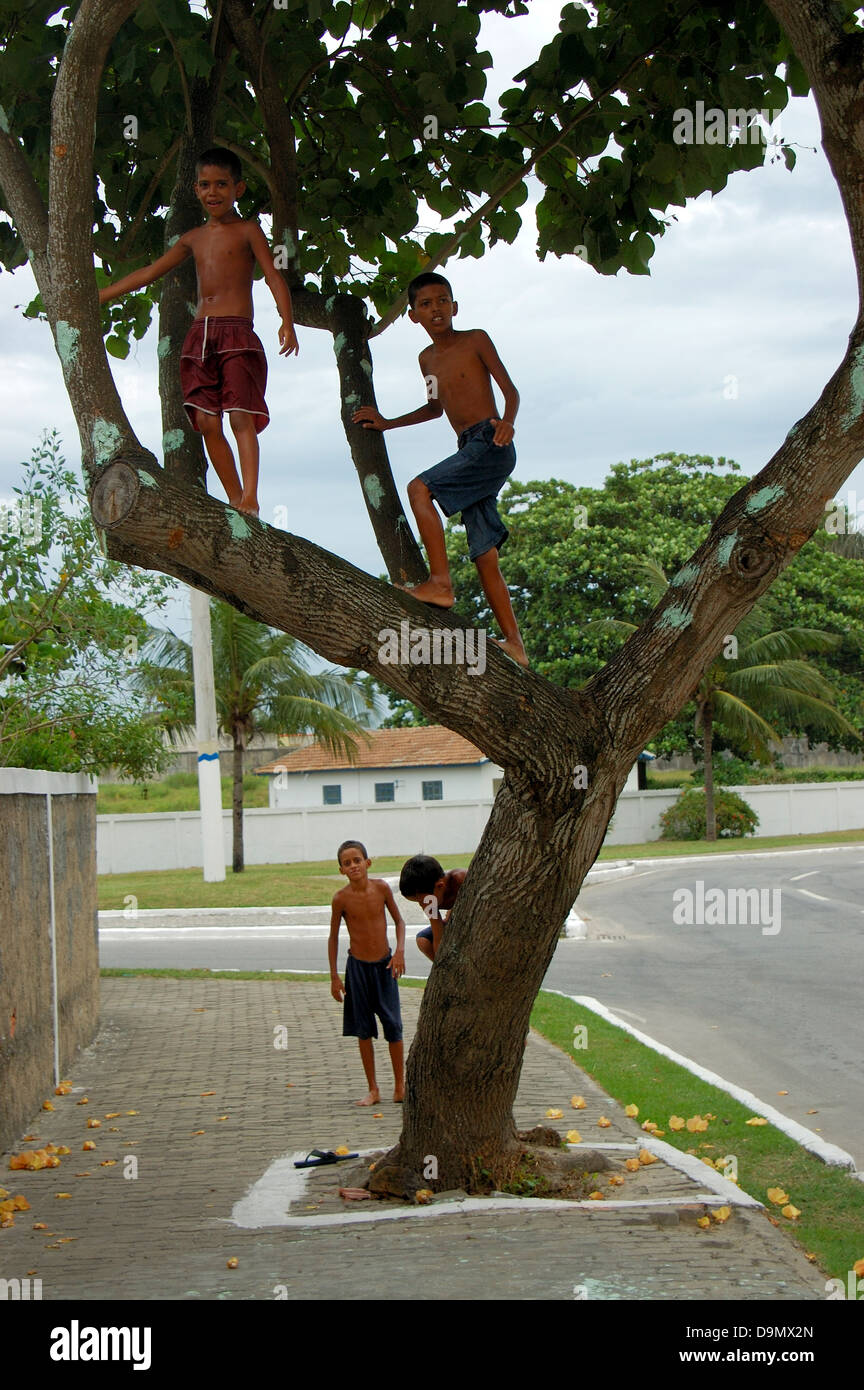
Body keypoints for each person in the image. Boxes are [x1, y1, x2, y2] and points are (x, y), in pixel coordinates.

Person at [97, 146, 298, 516]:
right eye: (205, 185)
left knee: (240, 415)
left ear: (238, 188)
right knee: (206, 421)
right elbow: (149, 272)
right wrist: (100, 295)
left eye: (221, 184)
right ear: (195, 190)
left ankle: (251, 498)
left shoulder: (248, 230)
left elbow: (272, 274)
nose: (213, 192)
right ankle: (235, 499)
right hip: (199, 336)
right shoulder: (192, 238)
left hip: (237, 332)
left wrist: (287, 320)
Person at [352, 271, 528, 666]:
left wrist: (508, 421)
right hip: (468, 447)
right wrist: (387, 422)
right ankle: (516, 645)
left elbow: (510, 390)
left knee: (419, 488)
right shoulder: (426, 359)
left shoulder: (475, 339)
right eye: (426, 304)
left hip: (491, 441)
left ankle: (440, 584)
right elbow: (435, 408)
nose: (436, 309)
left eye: (443, 300)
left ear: (455, 306)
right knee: (485, 555)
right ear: (413, 315)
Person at [329, 840, 406, 1106]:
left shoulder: (382, 888)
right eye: (347, 863)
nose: (353, 866)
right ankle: (373, 1089)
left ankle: (400, 1085)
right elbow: (333, 938)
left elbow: (399, 921)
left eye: (357, 860)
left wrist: (399, 952)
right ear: (341, 870)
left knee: (393, 1026)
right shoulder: (341, 899)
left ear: (367, 862)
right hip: (357, 969)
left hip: (385, 967)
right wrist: (334, 976)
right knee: (363, 1030)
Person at [399, 854, 466, 963]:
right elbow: (438, 939)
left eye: (422, 901)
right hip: (452, 922)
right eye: (418, 902)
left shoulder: (461, 880)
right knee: (422, 940)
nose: (422, 906)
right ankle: (447, 971)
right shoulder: (429, 902)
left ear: (440, 886)